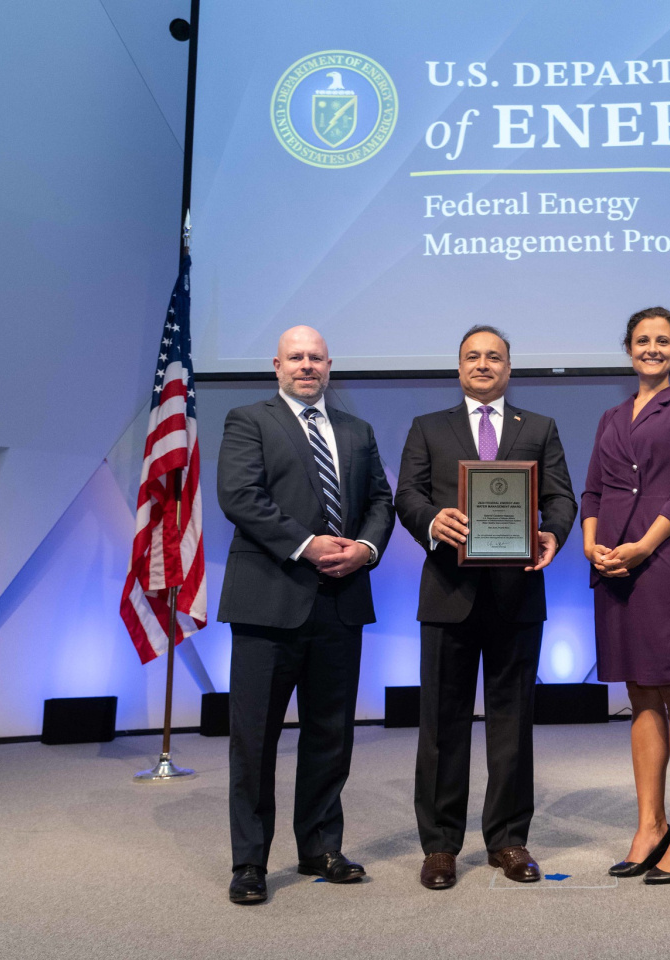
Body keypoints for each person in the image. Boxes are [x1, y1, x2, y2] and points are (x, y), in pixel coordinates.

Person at [216, 325, 395, 905]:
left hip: (341, 603)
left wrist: (365, 548)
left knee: (331, 735)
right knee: (254, 740)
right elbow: (240, 497)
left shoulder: (357, 431)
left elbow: (381, 502)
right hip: (267, 604)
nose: (306, 366)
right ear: (277, 365)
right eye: (295, 357)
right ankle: (250, 862)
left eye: (315, 357)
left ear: (329, 364)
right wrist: (308, 545)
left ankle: (320, 847)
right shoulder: (248, 421)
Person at [395, 325, 577, 891]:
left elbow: (561, 497)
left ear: (508, 367)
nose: (482, 364)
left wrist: (553, 534)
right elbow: (407, 495)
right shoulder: (428, 427)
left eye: (493, 356)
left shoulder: (539, 428)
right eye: (472, 356)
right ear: (458, 367)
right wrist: (432, 520)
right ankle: (440, 846)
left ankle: (508, 840)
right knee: (441, 725)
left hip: (516, 596)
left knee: (512, 724)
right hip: (447, 594)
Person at [581, 306, 670, 885]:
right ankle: (650, 825)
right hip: (613, 566)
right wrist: (591, 545)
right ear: (628, 348)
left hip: (662, 562)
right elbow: (592, 491)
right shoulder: (610, 416)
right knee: (639, 694)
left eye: (663, 341)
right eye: (642, 340)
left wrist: (642, 546)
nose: (652, 349)